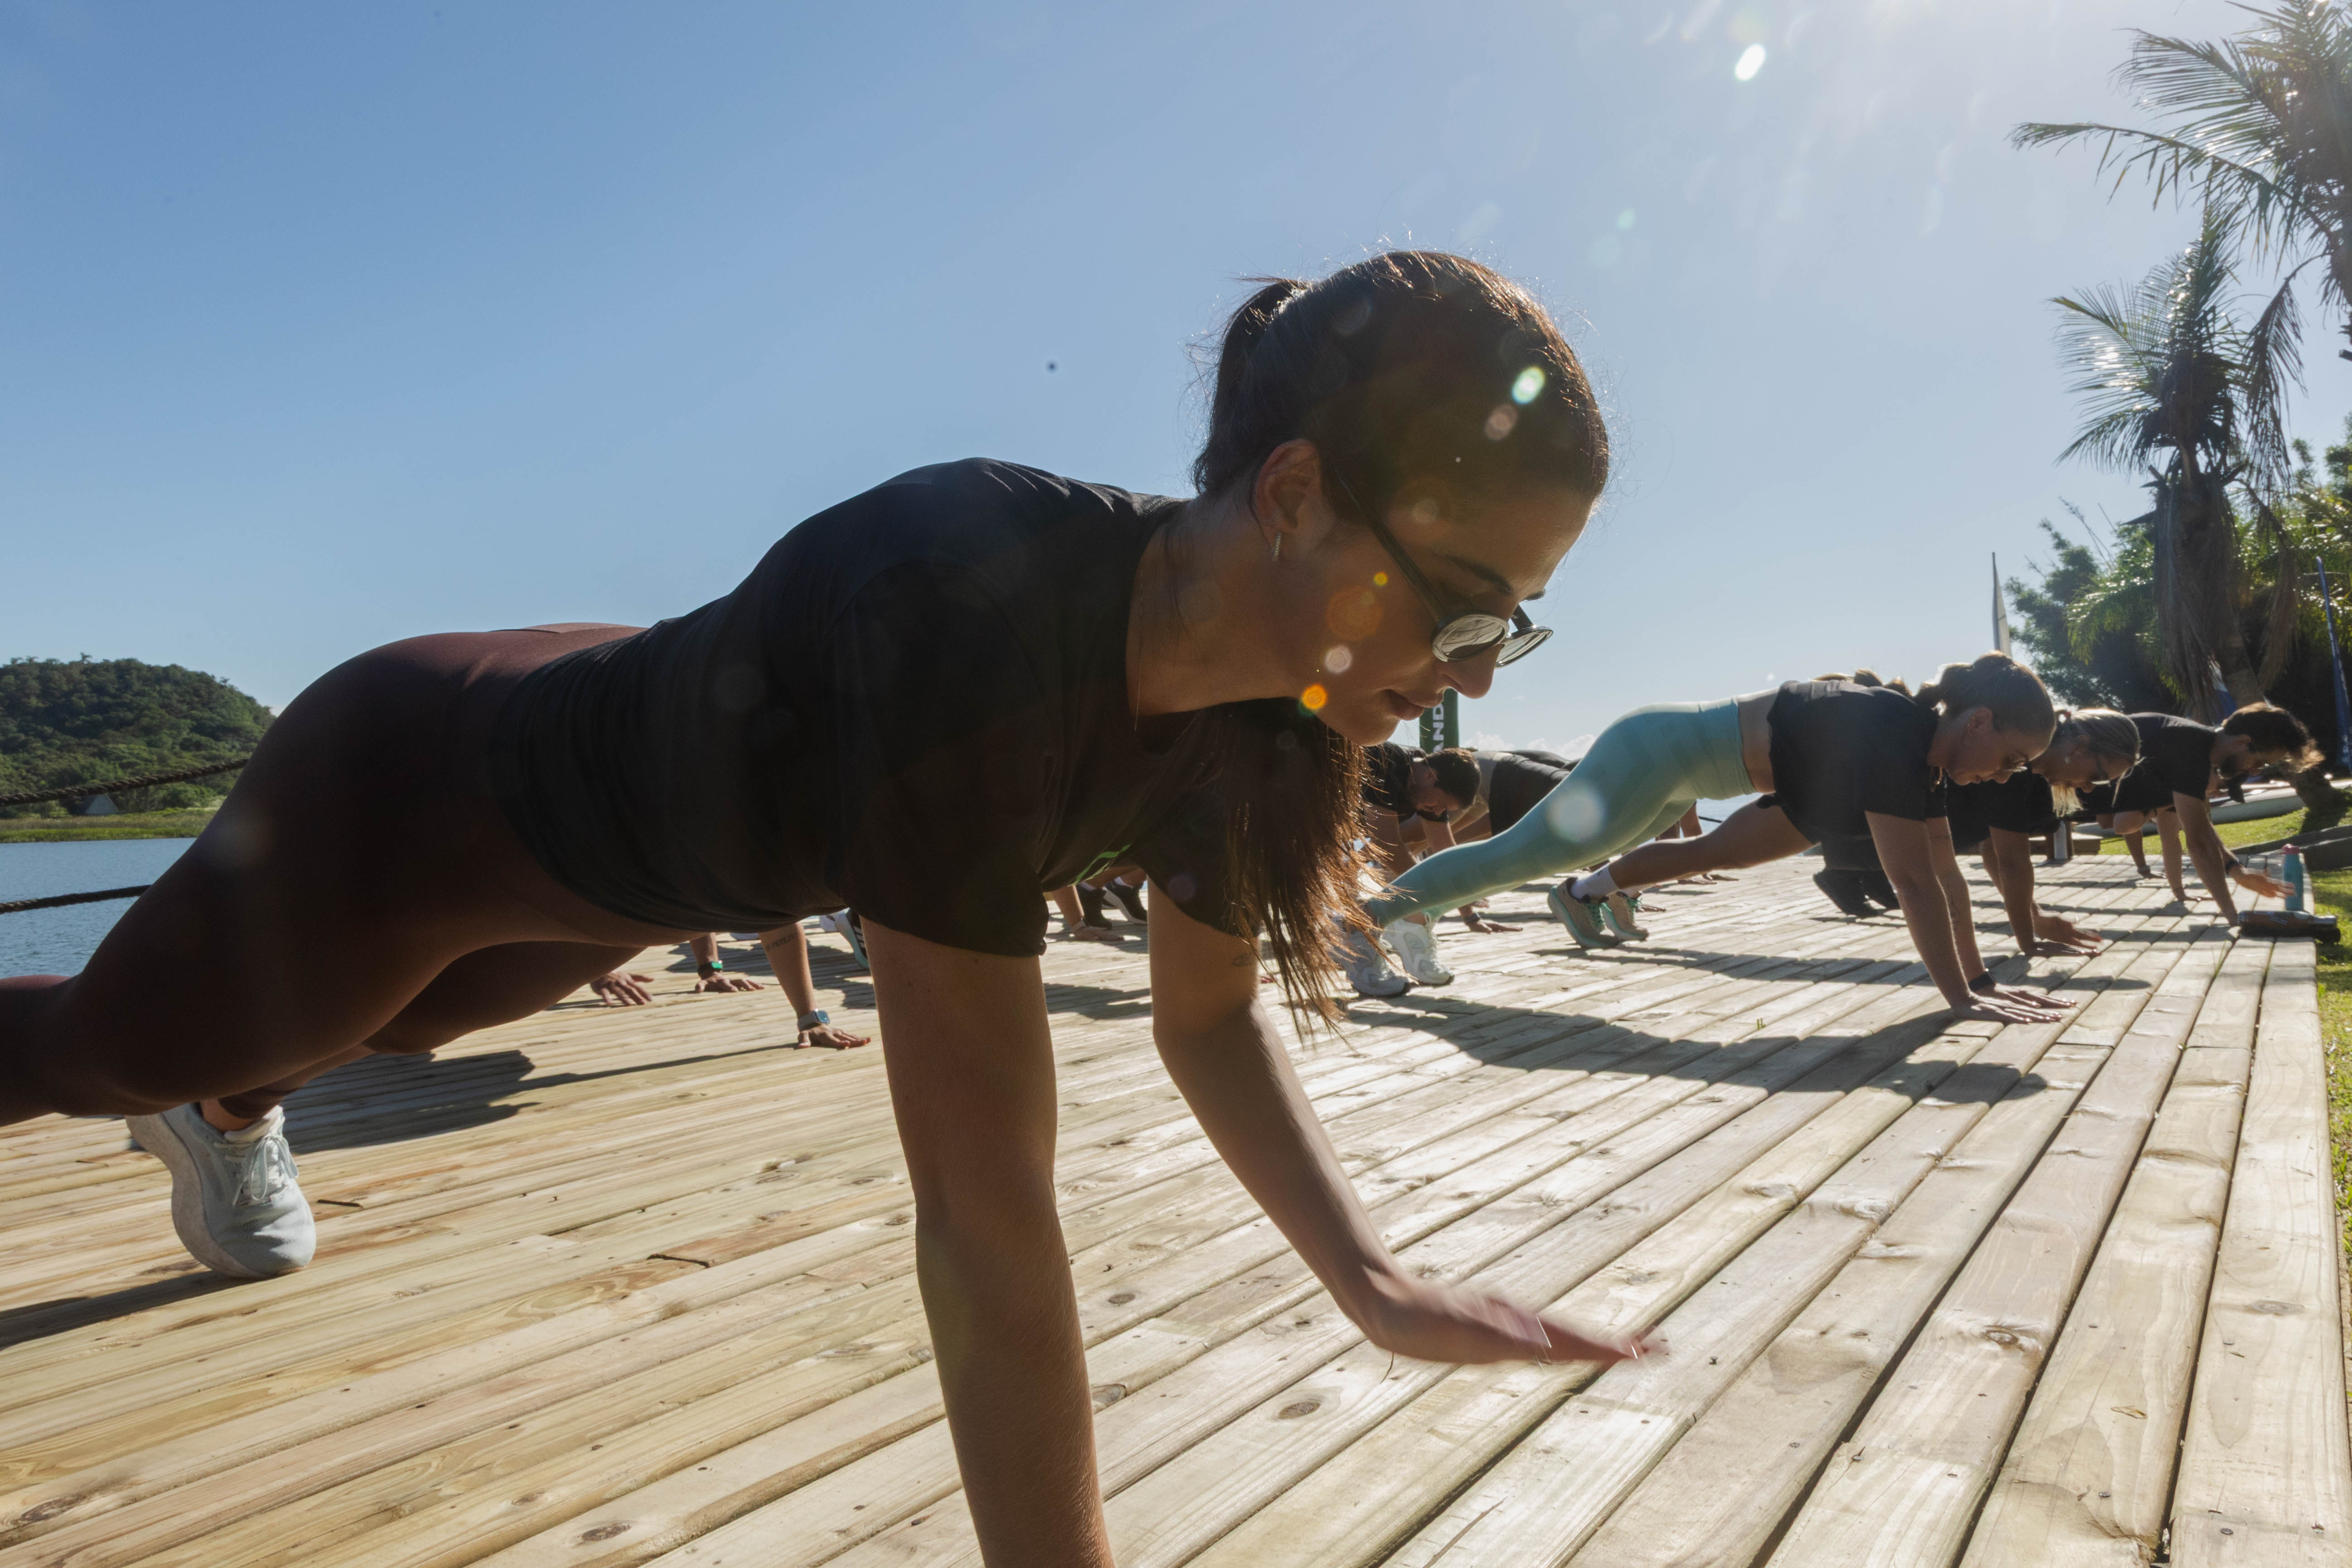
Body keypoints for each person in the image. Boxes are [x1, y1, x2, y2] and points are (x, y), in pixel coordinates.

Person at [0, 250, 1651, 1567]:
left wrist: (1366, 1280)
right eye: (1461, 608)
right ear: (1290, 491)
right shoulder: (965, 603)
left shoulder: (1266, 728)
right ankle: (204, 1097)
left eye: (1512, 627)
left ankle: (237, 1097)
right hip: (420, 789)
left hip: (639, 867)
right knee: (97, 1051)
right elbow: (985, 1214)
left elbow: (1202, 1015)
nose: (1473, 674)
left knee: (405, 1021)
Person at [1366, 654, 2077, 1025]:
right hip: (1653, 753)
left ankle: (1405, 912)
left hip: (1677, 771)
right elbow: (1914, 884)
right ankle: (1363, 918)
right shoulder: (1896, 735)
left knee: (1532, 856)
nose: (1998, 778)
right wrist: (1957, 997)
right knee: (1523, 854)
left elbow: (1943, 877)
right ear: (1978, 720)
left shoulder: (1919, 755)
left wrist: (1978, 981)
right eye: (2009, 760)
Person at [1944, 709, 2140, 956]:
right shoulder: (2016, 764)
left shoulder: (2032, 773)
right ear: (2080, 746)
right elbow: (2012, 863)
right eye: (2097, 777)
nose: (2089, 789)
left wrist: (2035, 917)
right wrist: (2029, 943)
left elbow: (1991, 849)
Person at [2100, 705, 2315, 922]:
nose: (2255, 772)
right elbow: (2199, 843)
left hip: (2080, 780)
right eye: (2260, 762)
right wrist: (2235, 918)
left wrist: (2236, 870)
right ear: (2243, 742)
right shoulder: (2190, 748)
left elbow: (2201, 827)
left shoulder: (2197, 746)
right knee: (2124, 822)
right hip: (2072, 766)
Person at [1354, 743, 1480, 986]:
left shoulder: (1427, 788)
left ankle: (1403, 934)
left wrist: (1467, 899)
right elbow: (1386, 844)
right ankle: (1362, 942)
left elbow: (1446, 852)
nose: (1435, 811)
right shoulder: (1387, 762)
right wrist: (1424, 894)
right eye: (1440, 804)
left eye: (1443, 809)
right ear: (1432, 776)